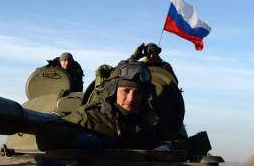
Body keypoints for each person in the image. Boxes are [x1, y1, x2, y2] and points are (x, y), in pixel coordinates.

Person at [36, 61, 170, 151]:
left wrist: (166, 146)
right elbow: (45, 135)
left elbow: (172, 141)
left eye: (137, 93)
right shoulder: (91, 116)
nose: (131, 98)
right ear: (113, 91)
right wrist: (75, 138)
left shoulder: (148, 121)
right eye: (126, 91)